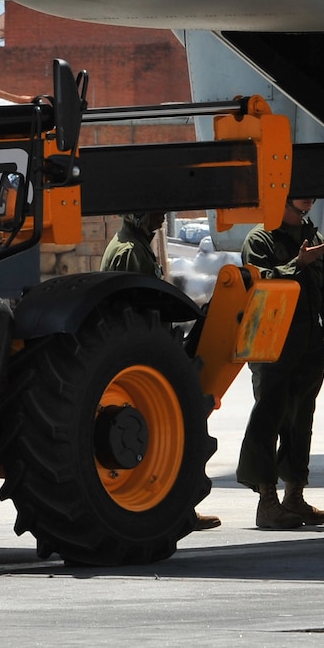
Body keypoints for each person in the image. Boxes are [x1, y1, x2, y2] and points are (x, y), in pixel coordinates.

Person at [99, 210, 219, 530]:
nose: (162, 219)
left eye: (164, 213)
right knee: (170, 436)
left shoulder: (137, 246)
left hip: (145, 356)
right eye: (155, 213)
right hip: (140, 361)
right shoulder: (129, 253)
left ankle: (182, 510)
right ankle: (180, 511)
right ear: (136, 214)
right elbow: (130, 310)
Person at [237, 197, 324, 529]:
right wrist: (297, 263)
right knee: (268, 418)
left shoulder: (311, 232)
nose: (306, 205)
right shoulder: (261, 238)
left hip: (308, 344)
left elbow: (323, 288)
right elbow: (258, 281)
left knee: (301, 421)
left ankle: (294, 497)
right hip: (272, 343)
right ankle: (267, 501)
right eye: (299, 202)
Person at [101, 211, 166, 274]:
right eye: (159, 213)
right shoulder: (132, 252)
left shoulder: (132, 242)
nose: (163, 218)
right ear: (140, 215)